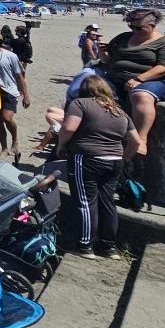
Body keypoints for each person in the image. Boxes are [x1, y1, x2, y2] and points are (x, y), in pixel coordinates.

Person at [56, 74, 131, 259]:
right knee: (108, 203)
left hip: (87, 158)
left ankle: (86, 245)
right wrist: (123, 157)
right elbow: (136, 142)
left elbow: (69, 128)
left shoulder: (80, 104)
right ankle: (109, 247)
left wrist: (61, 145)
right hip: (114, 161)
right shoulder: (119, 111)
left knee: (85, 201)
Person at [103, 8, 165, 159]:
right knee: (88, 90)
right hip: (118, 77)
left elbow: (164, 67)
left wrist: (139, 79)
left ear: (153, 25)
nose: (134, 30)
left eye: (138, 27)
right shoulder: (123, 38)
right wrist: (102, 53)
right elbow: (109, 60)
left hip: (158, 79)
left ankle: (140, 139)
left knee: (140, 96)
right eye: (131, 26)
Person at [0, 33, 30, 157]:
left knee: (7, 118)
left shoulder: (11, 56)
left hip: (10, 90)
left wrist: (26, 95)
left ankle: (15, 139)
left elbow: (20, 76)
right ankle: (4, 148)